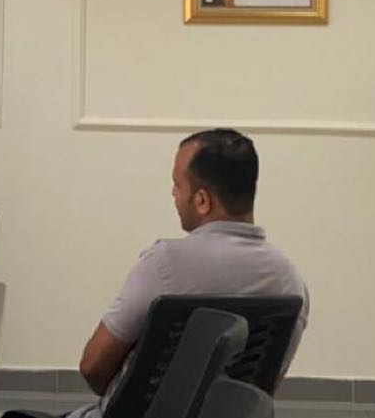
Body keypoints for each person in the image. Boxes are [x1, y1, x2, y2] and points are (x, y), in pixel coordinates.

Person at [63, 129, 308, 418]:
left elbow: (93, 367)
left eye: (177, 185)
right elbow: (259, 393)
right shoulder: (290, 282)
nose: (173, 194)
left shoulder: (164, 264)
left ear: (202, 201)